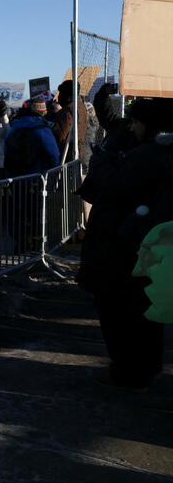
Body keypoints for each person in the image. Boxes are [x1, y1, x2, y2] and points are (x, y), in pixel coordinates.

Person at [77, 97, 173, 391]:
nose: (131, 126)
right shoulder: (149, 150)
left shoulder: (152, 155)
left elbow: (110, 187)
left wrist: (102, 157)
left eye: (135, 121)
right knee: (140, 311)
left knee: (120, 312)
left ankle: (129, 371)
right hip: (133, 244)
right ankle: (142, 367)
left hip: (122, 246)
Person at [3, 99, 59, 176]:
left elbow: (6, 148)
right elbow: (53, 154)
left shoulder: (14, 126)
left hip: (15, 178)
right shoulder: (42, 128)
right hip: (37, 177)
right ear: (42, 112)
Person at [50, 79, 88, 163]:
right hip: (77, 153)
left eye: (61, 93)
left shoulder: (67, 111)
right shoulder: (81, 107)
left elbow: (59, 136)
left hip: (67, 157)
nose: (59, 96)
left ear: (66, 95)